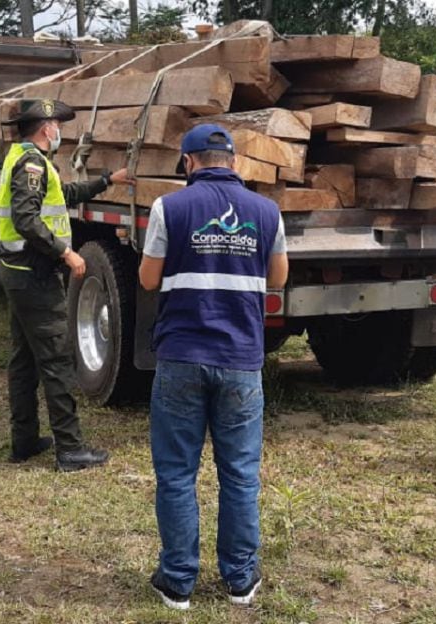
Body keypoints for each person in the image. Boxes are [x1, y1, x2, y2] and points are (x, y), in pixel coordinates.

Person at [138, 124, 289, 610]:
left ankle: (178, 580)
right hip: (241, 361)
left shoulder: (169, 207)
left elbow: (147, 279)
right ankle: (240, 580)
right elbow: (278, 277)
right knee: (241, 475)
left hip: (182, 357)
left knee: (178, 473)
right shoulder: (267, 212)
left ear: (188, 162)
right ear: (235, 163)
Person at [0, 98, 131, 472]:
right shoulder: (31, 164)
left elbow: (62, 198)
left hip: (18, 271)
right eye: (57, 124)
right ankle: (70, 450)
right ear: (45, 128)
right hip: (34, 273)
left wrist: (106, 181)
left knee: (24, 360)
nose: (60, 131)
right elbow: (26, 218)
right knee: (56, 359)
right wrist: (66, 253)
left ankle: (24, 441)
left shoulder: (20, 157)